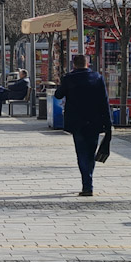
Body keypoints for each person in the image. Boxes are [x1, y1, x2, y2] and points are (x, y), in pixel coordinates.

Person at [54, 55, 112, 197]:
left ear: (74, 64)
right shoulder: (97, 78)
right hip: (94, 122)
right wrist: (108, 123)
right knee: (90, 153)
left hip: (77, 122)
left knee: (81, 153)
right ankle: (88, 182)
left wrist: (61, 83)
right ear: (87, 64)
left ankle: (87, 184)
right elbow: (104, 102)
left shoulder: (68, 78)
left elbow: (58, 95)